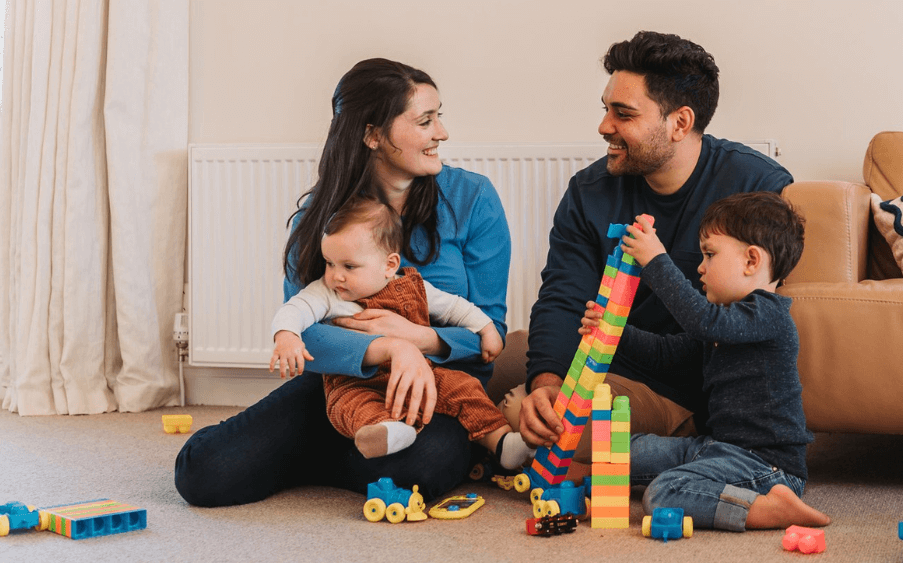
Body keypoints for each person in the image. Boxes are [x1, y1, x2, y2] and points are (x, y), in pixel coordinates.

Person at [175, 58, 512, 506]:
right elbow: (304, 324)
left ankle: (321, 453)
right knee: (201, 474)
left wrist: (421, 339)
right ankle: (344, 443)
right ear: (373, 135)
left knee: (420, 469)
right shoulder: (324, 214)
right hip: (342, 385)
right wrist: (391, 348)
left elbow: (492, 330)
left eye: (439, 117)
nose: (442, 133)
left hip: (440, 388)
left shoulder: (473, 198)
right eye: (425, 121)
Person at [514, 31, 795, 465]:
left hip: (677, 388)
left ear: (680, 123)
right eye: (606, 109)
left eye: (623, 114)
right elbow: (562, 295)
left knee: (548, 425)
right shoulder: (589, 190)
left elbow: (747, 324)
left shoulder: (754, 189)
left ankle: (674, 444)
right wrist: (545, 380)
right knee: (484, 370)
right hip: (597, 355)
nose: (605, 126)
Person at [584, 191, 830, 531]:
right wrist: (612, 330)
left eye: (709, 254)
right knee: (624, 449)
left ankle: (769, 507)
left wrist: (656, 260)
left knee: (662, 495)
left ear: (751, 261)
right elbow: (664, 355)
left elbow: (703, 321)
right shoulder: (723, 325)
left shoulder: (768, 316)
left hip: (767, 466)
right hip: (716, 448)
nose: (700, 266)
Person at [269, 197, 531, 469]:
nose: (336, 276)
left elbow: (455, 308)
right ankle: (390, 431)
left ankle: (501, 444)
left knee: (465, 389)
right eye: (329, 263)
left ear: (390, 265)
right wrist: (287, 335)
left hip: (419, 375)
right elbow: (295, 309)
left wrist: (486, 328)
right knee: (352, 407)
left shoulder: (413, 285)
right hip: (357, 383)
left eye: (348, 266)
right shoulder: (326, 293)